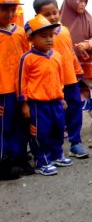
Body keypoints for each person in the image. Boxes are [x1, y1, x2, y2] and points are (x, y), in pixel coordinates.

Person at [33, 0, 89, 158]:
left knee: (75, 110)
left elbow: (70, 53)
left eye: (54, 12)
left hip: (70, 79)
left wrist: (78, 70)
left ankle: (75, 142)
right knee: (55, 116)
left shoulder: (64, 30)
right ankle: (51, 149)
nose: (52, 17)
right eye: (46, 14)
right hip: (51, 84)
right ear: (38, 16)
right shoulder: (37, 36)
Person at [19, 15, 72, 176]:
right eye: (43, 36)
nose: (49, 39)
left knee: (58, 129)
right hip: (37, 104)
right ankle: (42, 160)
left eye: (51, 35)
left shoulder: (56, 55)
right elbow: (22, 81)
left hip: (55, 102)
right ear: (31, 38)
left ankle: (56, 155)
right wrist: (24, 103)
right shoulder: (27, 58)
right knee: (40, 133)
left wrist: (61, 97)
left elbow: (60, 78)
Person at [60, 0, 92, 135]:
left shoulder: (88, 19)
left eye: (85, 1)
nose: (83, 4)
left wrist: (87, 44)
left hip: (85, 63)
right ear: (71, 1)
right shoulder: (58, 19)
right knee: (65, 93)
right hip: (66, 64)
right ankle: (64, 124)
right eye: (80, 1)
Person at [0, 0, 32, 179]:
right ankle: (4, 161)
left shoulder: (20, 33)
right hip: (2, 91)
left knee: (22, 124)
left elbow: (28, 59)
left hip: (20, 89)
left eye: (13, 9)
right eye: (4, 9)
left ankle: (20, 157)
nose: (10, 13)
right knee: (4, 126)